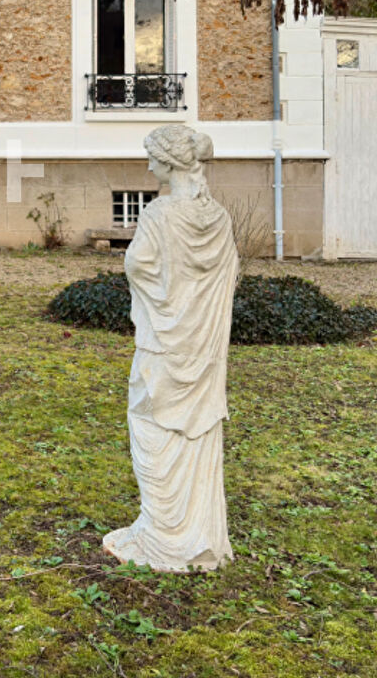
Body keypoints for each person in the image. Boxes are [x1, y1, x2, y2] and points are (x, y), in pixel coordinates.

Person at [102, 124, 238, 572]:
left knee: (151, 424)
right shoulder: (218, 218)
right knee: (193, 433)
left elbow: (138, 263)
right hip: (202, 349)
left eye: (152, 159)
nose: (147, 167)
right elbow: (228, 277)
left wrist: (164, 302)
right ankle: (196, 535)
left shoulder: (159, 214)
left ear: (171, 163)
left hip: (163, 345)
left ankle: (163, 536)